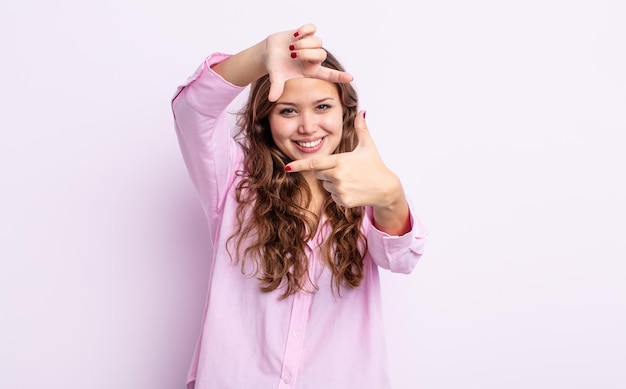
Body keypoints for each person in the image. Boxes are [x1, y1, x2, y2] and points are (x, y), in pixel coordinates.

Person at [171, 23, 427, 389]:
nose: (308, 127)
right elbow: (192, 111)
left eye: (322, 107)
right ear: (265, 121)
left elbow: (402, 259)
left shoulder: (367, 188)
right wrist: (258, 58)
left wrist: (390, 195)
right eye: (288, 111)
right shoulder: (233, 180)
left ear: (345, 113)